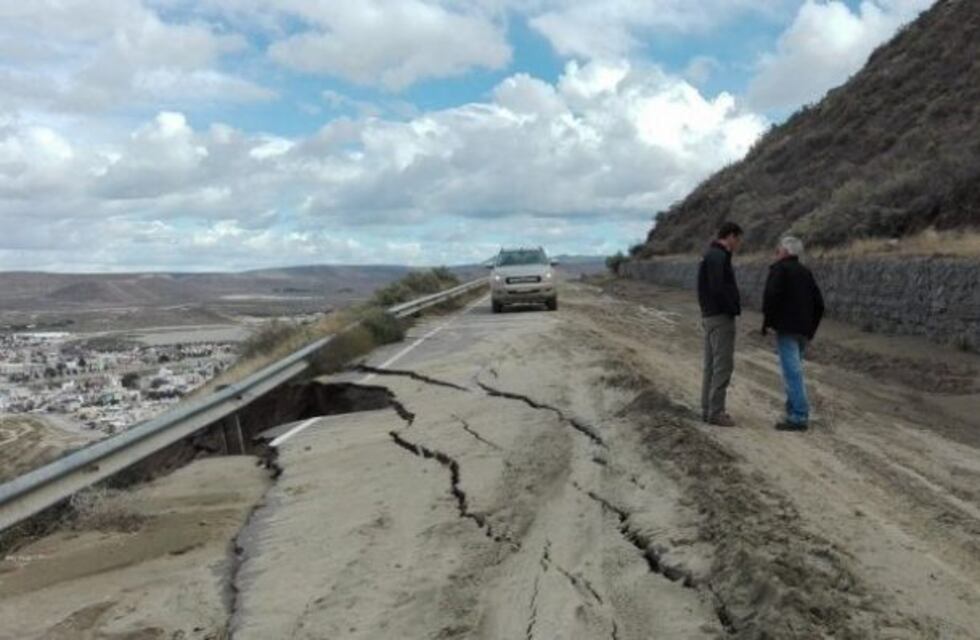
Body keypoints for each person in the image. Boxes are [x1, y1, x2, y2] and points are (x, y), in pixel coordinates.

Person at [762, 236, 825, 432]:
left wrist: (768, 323)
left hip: (786, 329)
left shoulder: (779, 269)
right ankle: (793, 411)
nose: (776, 251)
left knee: (792, 373)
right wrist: (811, 329)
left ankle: (798, 416)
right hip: (803, 331)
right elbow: (820, 304)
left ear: (786, 252)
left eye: (779, 248)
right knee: (794, 370)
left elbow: (770, 297)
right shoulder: (806, 272)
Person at [698, 221, 743, 427]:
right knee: (722, 366)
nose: (739, 244)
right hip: (720, 317)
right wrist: (731, 307)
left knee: (711, 366)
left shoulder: (710, 255)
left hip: (709, 316)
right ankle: (716, 411)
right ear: (731, 236)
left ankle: (707, 409)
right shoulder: (719, 256)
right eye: (738, 239)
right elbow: (718, 288)